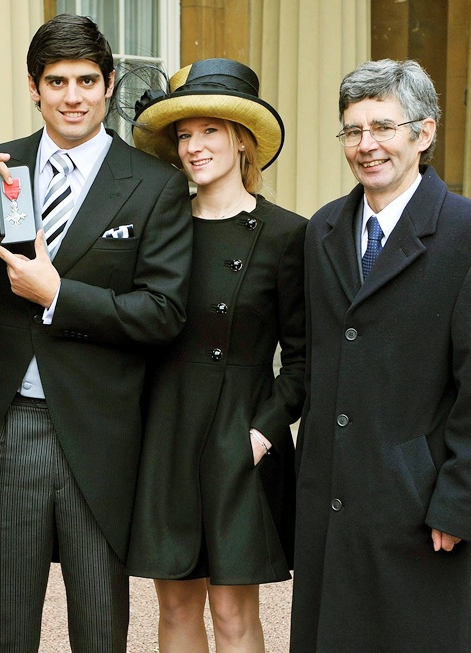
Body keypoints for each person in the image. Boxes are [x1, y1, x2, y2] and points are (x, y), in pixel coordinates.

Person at [0, 13, 193, 653]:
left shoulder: (156, 185)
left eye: (87, 80)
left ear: (110, 85)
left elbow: (163, 313)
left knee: (99, 621)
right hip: (9, 425)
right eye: (57, 82)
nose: (73, 96)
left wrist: (61, 296)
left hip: (100, 428)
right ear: (34, 87)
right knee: (6, 620)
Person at [125, 58, 307, 652]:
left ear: (241, 138)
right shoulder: (159, 226)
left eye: (209, 131)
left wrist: (262, 433)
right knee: (176, 607)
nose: (194, 147)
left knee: (232, 613)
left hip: (242, 433)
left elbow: (304, 359)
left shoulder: (288, 235)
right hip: (166, 430)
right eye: (184, 135)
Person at [291, 58, 471, 652]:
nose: (367, 146)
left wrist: (457, 499)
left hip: (418, 507)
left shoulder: (464, 233)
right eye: (353, 130)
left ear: (425, 132)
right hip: (332, 496)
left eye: (384, 127)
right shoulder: (322, 231)